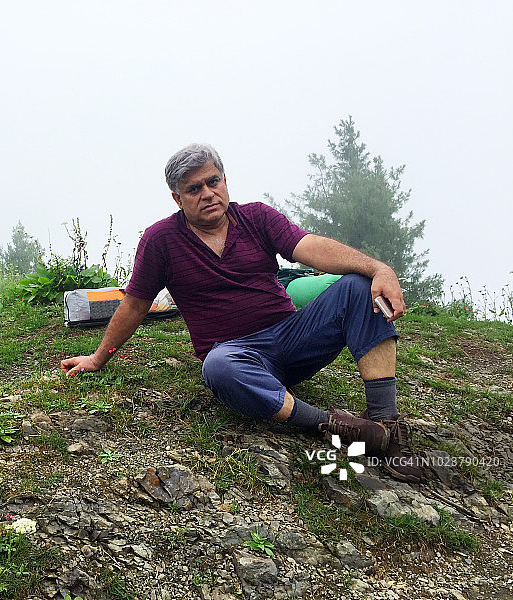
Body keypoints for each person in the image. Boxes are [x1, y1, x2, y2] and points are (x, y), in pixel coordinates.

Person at [60, 143, 422, 483]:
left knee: (359, 286)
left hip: (291, 337)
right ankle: (335, 426)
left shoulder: (257, 218)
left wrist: (379, 268)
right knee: (218, 366)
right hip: (237, 355)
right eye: (193, 189)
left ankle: (387, 424)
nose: (207, 193)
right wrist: (98, 357)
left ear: (224, 180)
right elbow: (136, 303)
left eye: (212, 181)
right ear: (177, 198)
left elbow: (309, 247)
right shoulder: (161, 241)